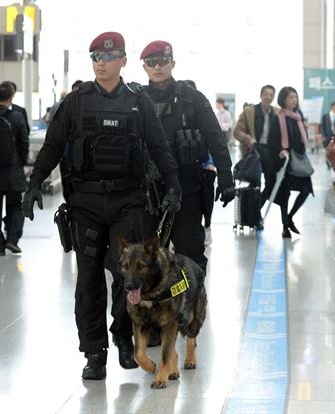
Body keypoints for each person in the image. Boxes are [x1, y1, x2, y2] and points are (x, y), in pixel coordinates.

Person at [22, 32, 181, 380]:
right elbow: (52, 145)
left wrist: (173, 187)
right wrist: (34, 184)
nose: (100, 61)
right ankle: (94, 352)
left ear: (124, 60)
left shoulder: (138, 102)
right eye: (95, 56)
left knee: (128, 277)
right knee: (88, 281)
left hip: (129, 201)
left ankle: (123, 339)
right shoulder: (76, 101)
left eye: (108, 56)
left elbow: (159, 148)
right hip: (86, 203)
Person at [140, 40, 235, 272]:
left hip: (187, 188)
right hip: (147, 190)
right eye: (151, 63)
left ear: (172, 63)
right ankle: (155, 307)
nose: (157, 67)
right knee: (145, 258)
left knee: (189, 254)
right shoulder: (137, 99)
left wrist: (226, 178)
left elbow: (215, 139)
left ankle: (191, 305)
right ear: (144, 67)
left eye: (163, 61)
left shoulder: (193, 98)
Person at [0, 82, 29, 255]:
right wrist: (23, 162)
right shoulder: (17, 116)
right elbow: (24, 142)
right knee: (16, 206)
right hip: (13, 170)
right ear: (11, 97)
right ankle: (12, 239)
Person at [268, 86, 313, 238]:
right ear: (283, 100)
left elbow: (302, 139)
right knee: (284, 194)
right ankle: (285, 225)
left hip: (299, 159)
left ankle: (291, 216)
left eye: (295, 97)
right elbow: (271, 141)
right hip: (285, 162)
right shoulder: (278, 118)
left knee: (306, 190)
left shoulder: (298, 117)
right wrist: (280, 150)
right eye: (291, 97)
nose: (294, 99)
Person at [233, 85, 279, 209]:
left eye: (271, 95)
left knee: (272, 183)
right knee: (254, 184)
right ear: (261, 95)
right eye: (266, 94)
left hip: (271, 153)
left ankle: (257, 209)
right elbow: (237, 131)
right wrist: (248, 139)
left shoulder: (277, 112)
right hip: (254, 152)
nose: (268, 97)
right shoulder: (249, 111)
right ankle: (253, 214)